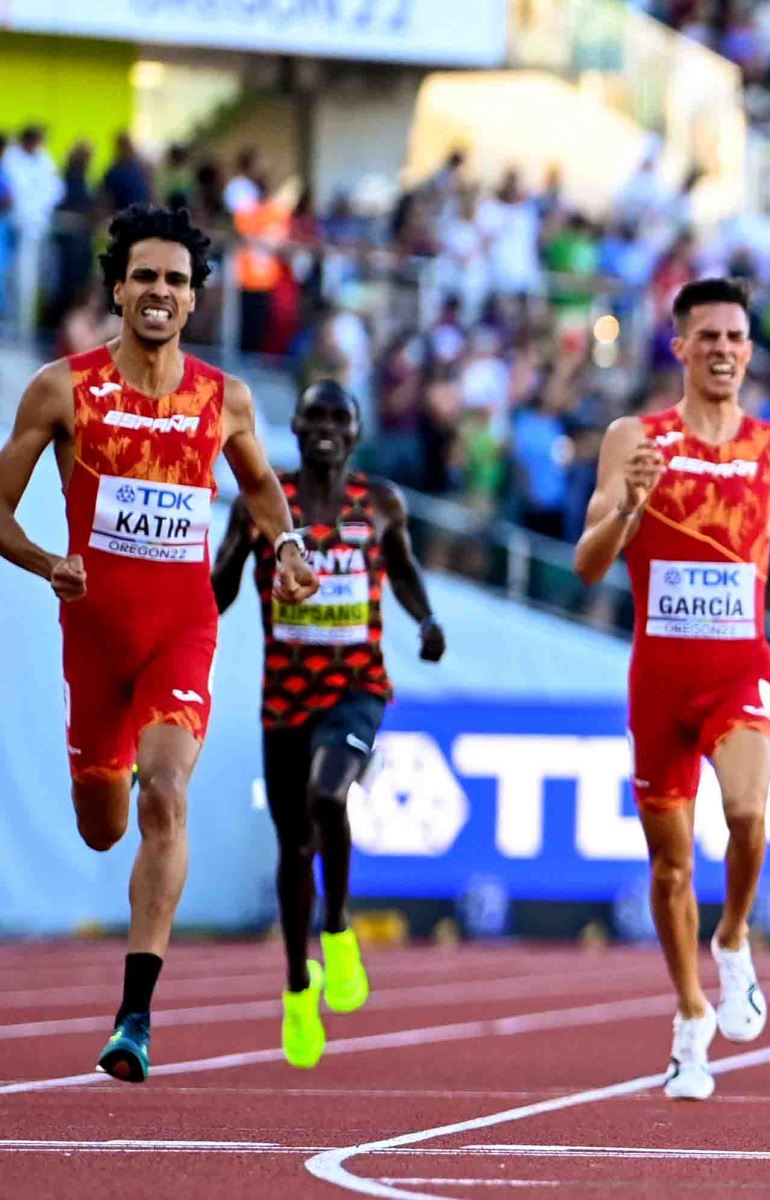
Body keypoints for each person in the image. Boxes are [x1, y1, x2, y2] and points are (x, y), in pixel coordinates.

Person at [0, 203, 317, 1081]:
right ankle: (111, 773)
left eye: (176, 281)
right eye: (145, 275)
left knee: (166, 796)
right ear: (117, 286)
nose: (159, 292)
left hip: (181, 632)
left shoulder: (227, 400)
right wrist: (42, 560)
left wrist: (286, 547)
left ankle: (134, 1016)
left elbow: (261, 492)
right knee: (104, 826)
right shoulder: (62, 388)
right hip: (94, 642)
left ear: (194, 300)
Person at [574, 277, 770, 1101]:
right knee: (671, 867)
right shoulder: (633, 438)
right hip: (659, 680)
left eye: (735, 337)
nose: (722, 349)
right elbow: (588, 561)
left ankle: (734, 937)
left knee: (751, 813)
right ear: (679, 347)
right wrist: (631, 508)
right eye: (706, 336)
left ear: (751, 350)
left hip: (738, 667)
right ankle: (689, 1022)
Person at [212, 379, 446, 1068]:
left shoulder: (379, 503)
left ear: (357, 430)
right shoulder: (263, 503)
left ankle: (338, 927)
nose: (324, 429)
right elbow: (223, 587)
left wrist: (426, 619)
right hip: (284, 696)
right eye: (313, 416)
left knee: (328, 795)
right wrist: (221, 574)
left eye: (338, 418)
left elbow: (402, 571)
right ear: (295, 424)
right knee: (291, 850)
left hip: (357, 687)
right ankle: (294, 984)